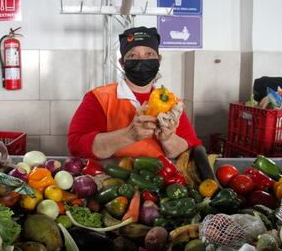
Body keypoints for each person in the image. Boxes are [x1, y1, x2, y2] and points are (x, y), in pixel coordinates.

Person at [67, 26, 202, 160]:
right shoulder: (100, 99)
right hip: (113, 179)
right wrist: (128, 135)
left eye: (149, 54)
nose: (142, 60)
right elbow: (76, 145)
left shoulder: (173, 104)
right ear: (122, 63)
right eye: (133, 55)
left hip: (162, 178)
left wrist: (168, 138)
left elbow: (192, 148)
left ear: (159, 60)